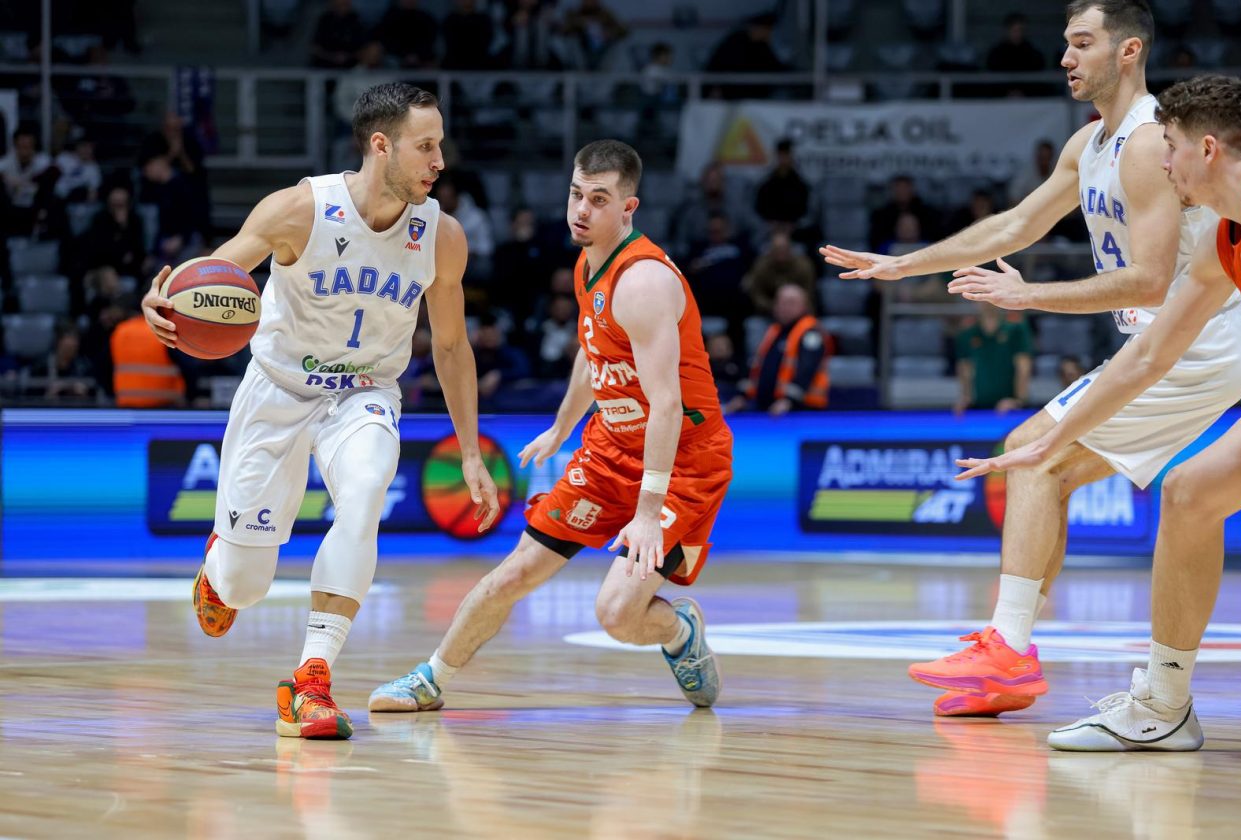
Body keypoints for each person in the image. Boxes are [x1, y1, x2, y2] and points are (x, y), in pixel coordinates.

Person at [820, 1, 1241, 719]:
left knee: (1035, 455)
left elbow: (1150, 281)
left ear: (1128, 51)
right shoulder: (1090, 143)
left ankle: (1009, 652)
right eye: (1066, 43)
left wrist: (1030, 297)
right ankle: (1009, 656)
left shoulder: (1151, 143)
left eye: (1082, 43)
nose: (1065, 58)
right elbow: (1018, 224)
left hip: (1192, 345)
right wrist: (906, 264)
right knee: (1044, 467)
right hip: (1164, 343)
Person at [140, 82, 500, 740]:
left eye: (440, 145)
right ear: (381, 145)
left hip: (365, 392)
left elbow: (450, 346)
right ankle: (222, 564)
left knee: (364, 495)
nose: (439, 161)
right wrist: (164, 303)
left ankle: (311, 680)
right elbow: (211, 277)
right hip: (279, 389)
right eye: (426, 146)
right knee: (245, 587)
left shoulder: (441, 236)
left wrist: (471, 451)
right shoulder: (300, 210)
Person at [369, 139, 733, 713]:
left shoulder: (644, 282)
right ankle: (429, 679)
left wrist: (646, 513)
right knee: (515, 572)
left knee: (617, 613)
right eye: (575, 195)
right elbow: (594, 351)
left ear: (629, 208)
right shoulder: (588, 264)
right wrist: (563, 427)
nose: (581, 211)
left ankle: (679, 630)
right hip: (611, 449)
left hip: (682, 462)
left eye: (598, 199)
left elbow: (666, 406)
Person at [953, 75, 1241, 751]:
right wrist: (1050, 441)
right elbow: (1148, 354)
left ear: (1208, 150)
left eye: (1170, 147)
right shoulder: (1224, 241)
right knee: (1189, 494)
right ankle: (1164, 707)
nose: (1161, 162)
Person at [724, 282, 831, 415]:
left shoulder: (811, 333)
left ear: (804, 306)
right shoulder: (774, 331)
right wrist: (743, 396)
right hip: (769, 409)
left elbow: (807, 369)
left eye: (791, 302)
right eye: (782, 302)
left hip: (802, 411)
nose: (785, 307)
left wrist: (789, 400)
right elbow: (758, 367)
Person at [953, 304, 1032, 416]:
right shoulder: (968, 330)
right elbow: (964, 367)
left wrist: (1019, 400)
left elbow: (1023, 366)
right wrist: (966, 398)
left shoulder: (1015, 327)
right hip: (979, 405)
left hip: (1009, 407)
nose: (987, 301)